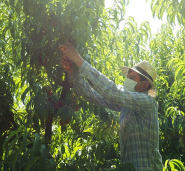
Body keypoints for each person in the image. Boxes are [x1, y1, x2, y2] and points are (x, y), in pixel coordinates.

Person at [59, 42, 163, 170]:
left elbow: (113, 91)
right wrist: (72, 72)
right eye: (128, 77)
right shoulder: (127, 106)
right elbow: (94, 96)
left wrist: (78, 59)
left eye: (132, 77)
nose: (127, 81)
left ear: (145, 84)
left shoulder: (147, 102)